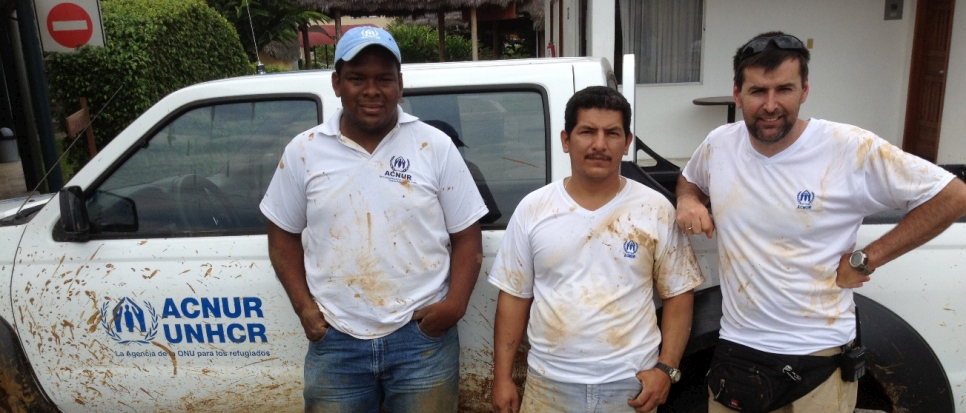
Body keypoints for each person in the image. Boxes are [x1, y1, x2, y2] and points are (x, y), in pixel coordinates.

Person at [676, 31, 966, 412]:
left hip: (820, 358)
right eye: (757, 91)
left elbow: (953, 195)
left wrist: (867, 258)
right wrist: (687, 198)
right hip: (738, 351)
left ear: (805, 89)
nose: (770, 104)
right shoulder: (719, 144)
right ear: (737, 94)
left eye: (784, 89)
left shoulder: (847, 148)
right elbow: (690, 178)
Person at [259, 26, 488, 412]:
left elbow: (468, 235)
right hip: (335, 340)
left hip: (422, 341)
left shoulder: (434, 145)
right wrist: (304, 307)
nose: (371, 90)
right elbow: (282, 235)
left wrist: (455, 306)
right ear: (336, 83)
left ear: (400, 84)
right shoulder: (304, 150)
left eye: (384, 78)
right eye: (357, 78)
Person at [490, 86, 705, 413]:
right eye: (587, 131)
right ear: (566, 140)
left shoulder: (654, 209)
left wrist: (666, 369)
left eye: (612, 133)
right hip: (549, 384)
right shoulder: (534, 209)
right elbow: (514, 297)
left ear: (627, 142)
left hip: (631, 386)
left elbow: (678, 294)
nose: (599, 144)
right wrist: (502, 377)